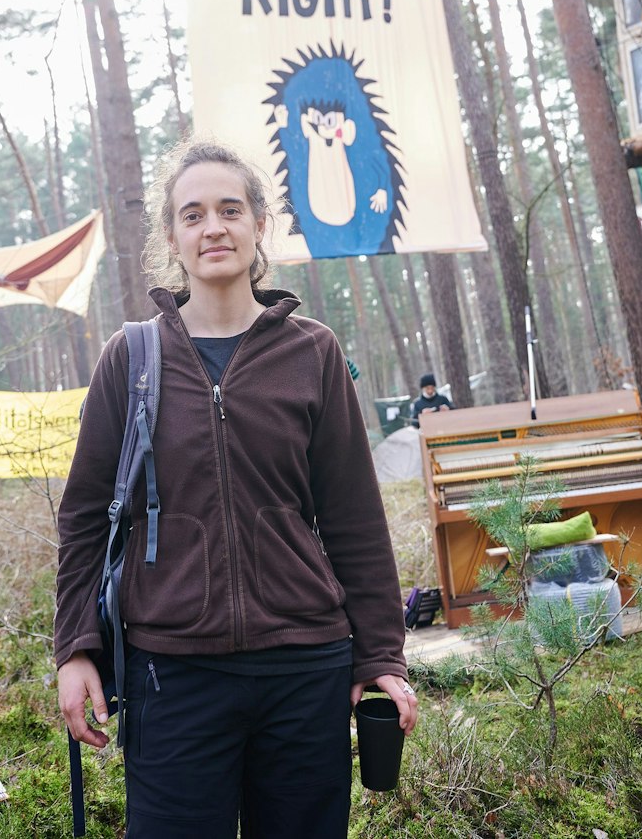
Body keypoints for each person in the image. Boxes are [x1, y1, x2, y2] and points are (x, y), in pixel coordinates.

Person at [54, 140, 416, 839]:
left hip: (304, 668)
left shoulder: (312, 353)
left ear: (258, 226)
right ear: (173, 238)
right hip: (172, 673)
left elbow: (353, 520)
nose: (212, 226)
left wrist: (379, 658)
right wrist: (76, 649)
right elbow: (85, 521)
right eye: (193, 214)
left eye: (229, 209)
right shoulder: (129, 359)